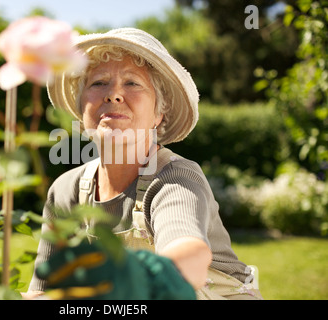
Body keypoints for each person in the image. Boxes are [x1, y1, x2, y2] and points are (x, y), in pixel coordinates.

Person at [25, 28, 263, 300]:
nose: (113, 94)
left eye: (132, 83)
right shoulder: (66, 190)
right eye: (98, 83)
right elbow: (44, 292)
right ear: (82, 109)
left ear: (158, 115)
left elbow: (189, 259)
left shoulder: (174, 178)